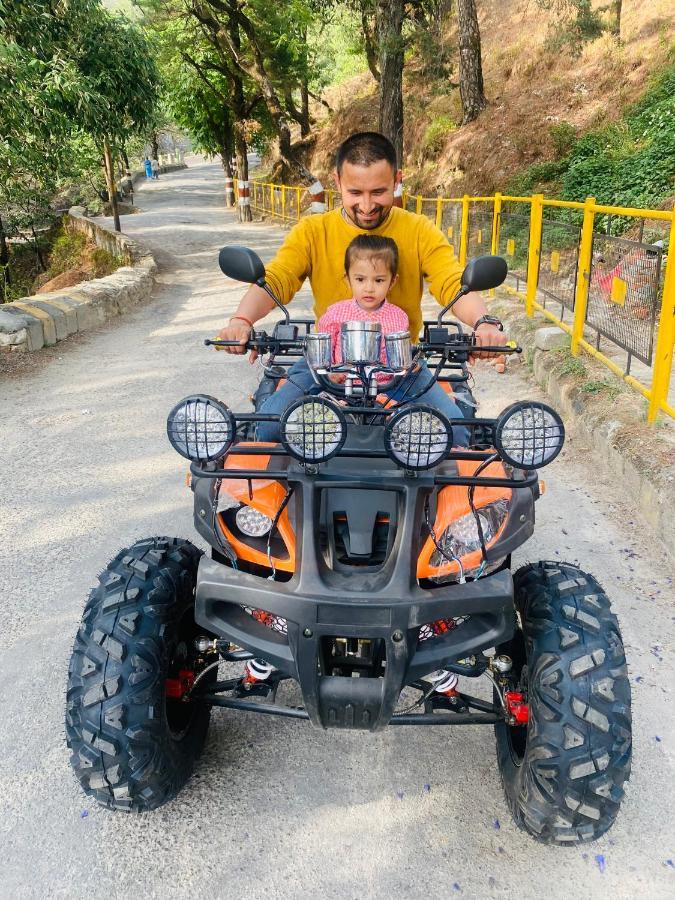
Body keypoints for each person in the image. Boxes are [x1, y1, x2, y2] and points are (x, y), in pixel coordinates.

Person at [217, 131, 507, 444]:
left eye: (378, 191)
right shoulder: (313, 232)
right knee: (269, 430)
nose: (366, 205)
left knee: (456, 436)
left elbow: (452, 281)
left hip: (400, 365)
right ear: (337, 181)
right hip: (325, 362)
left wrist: (484, 323)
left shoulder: (419, 230)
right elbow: (277, 278)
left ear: (397, 180)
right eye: (355, 192)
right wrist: (241, 321)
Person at [318, 234, 408, 379]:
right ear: (348, 279)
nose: (369, 288)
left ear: (392, 282)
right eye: (360, 279)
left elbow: (400, 363)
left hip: (385, 391)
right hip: (341, 389)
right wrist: (331, 373)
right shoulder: (335, 313)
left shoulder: (399, 317)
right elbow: (322, 356)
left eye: (379, 280)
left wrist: (407, 367)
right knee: (307, 399)